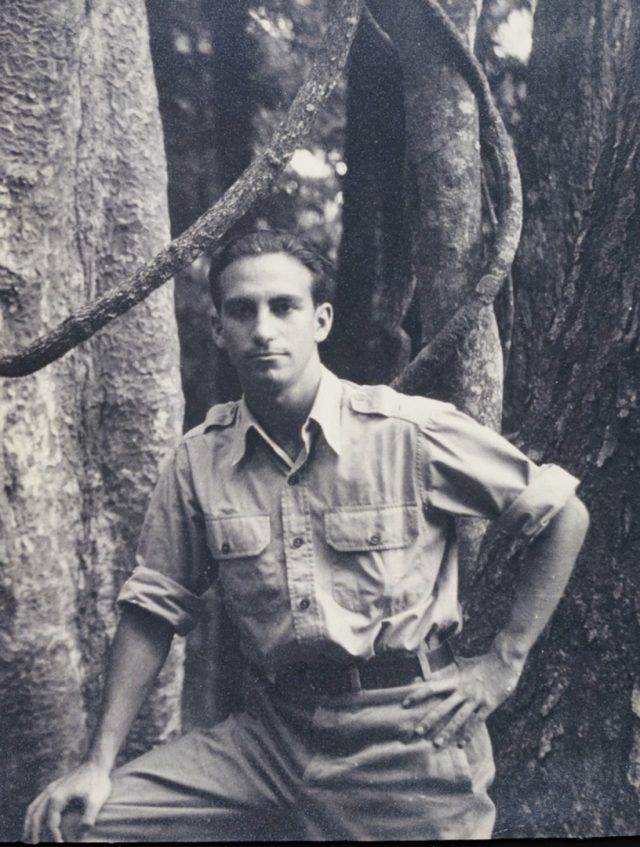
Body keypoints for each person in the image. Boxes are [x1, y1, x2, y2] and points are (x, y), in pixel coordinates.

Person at [23, 230, 589, 842]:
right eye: (242, 311)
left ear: (320, 321)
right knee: (74, 826)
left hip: (406, 742)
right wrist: (97, 763)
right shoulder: (199, 461)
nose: (263, 329)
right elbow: (153, 608)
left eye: (283, 307)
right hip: (269, 742)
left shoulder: (407, 432)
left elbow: (563, 515)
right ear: (218, 329)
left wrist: (502, 664)